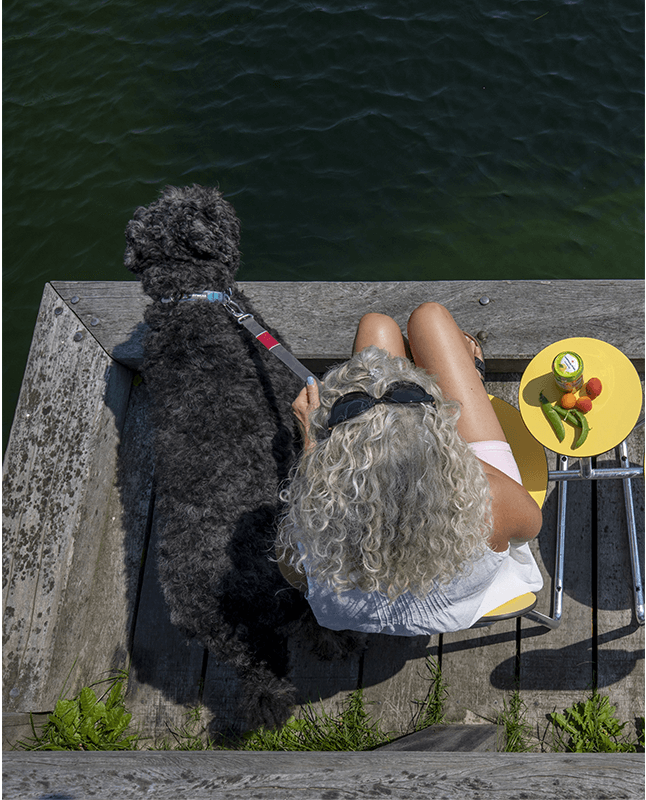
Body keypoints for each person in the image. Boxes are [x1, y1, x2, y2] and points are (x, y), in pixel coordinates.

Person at [275, 302, 543, 635]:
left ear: (341, 464)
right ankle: (468, 376)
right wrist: (441, 448)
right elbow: (530, 527)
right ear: (440, 441)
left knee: (376, 327)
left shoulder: (310, 525)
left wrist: (312, 444)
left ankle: (401, 412)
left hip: (370, 613)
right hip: (458, 602)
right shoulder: (488, 501)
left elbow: (299, 577)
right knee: (429, 318)